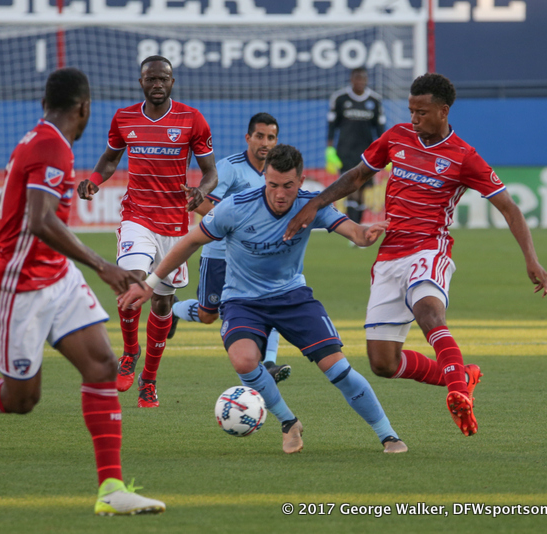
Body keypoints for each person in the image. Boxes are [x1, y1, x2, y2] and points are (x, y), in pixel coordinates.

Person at [0, 68, 165, 516]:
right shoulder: (50, 146)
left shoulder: (39, 140)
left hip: (56, 276)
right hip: (19, 288)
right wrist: (102, 265)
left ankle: (111, 490)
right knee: (21, 400)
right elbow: (39, 219)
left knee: (102, 366)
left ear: (44, 103)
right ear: (84, 108)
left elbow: (2, 212)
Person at [285, 73, 547, 437]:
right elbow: (357, 176)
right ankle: (461, 377)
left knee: (428, 312)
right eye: (411, 111)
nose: (413, 119)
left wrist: (531, 258)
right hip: (390, 254)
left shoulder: (464, 156)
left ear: (443, 111)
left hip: (430, 248)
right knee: (382, 362)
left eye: (421, 112)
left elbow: (509, 208)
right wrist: (315, 203)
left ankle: (458, 394)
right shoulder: (397, 137)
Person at [119, 144, 408, 455]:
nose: (280, 194)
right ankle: (288, 422)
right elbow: (189, 242)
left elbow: (355, 233)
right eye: (272, 185)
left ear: (301, 181)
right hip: (243, 301)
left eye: (288, 186)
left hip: (293, 298)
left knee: (337, 369)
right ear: (265, 179)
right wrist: (150, 283)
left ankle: (388, 435)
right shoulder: (236, 207)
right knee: (243, 359)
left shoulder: (311, 205)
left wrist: (366, 234)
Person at [77, 55, 218, 408]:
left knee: (162, 301)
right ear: (141, 82)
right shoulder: (124, 118)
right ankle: (129, 352)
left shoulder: (192, 119)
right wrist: (93, 180)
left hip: (175, 225)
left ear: (172, 82)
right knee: (132, 284)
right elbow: (110, 159)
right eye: (151, 78)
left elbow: (210, 172)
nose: (157, 84)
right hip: (137, 216)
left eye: (163, 78)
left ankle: (149, 380)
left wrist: (201, 191)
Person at [169, 113, 290, 383]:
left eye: (271, 137)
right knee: (208, 315)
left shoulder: (275, 172)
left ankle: (269, 363)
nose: (265, 143)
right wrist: (236, 225)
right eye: (260, 136)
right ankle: (174, 309)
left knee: (270, 302)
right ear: (248, 138)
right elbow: (201, 203)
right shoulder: (230, 168)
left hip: (255, 256)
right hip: (219, 254)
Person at [326, 67, 386, 224]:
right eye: (357, 78)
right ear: (351, 80)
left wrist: (386, 151)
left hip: (367, 152)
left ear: (366, 80)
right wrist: (330, 149)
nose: (359, 82)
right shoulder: (340, 98)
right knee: (351, 185)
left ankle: (357, 224)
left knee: (363, 187)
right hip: (345, 151)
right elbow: (332, 126)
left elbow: (380, 130)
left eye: (362, 79)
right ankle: (353, 224)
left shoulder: (374, 100)